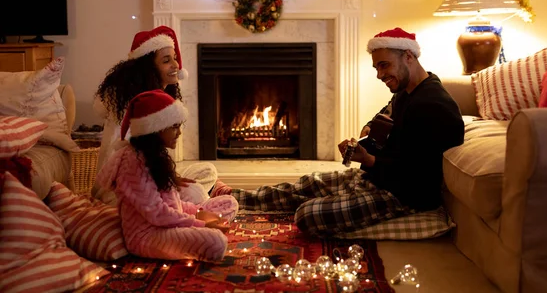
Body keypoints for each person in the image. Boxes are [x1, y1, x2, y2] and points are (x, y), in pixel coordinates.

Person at [210, 27, 464, 236]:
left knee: (307, 215)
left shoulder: (432, 106)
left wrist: (368, 160)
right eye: (376, 67)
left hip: (403, 195)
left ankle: (339, 204)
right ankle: (233, 197)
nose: (379, 74)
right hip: (378, 176)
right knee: (310, 183)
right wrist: (368, 131)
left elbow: (416, 176)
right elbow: (385, 116)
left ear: (409, 56)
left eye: (384, 65)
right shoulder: (407, 92)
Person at [96, 89, 238, 260]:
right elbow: (157, 213)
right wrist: (201, 223)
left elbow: (173, 203)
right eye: (174, 127)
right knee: (217, 242)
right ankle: (203, 233)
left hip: (169, 223)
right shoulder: (133, 163)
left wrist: (199, 212)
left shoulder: (155, 155)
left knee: (229, 203)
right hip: (148, 236)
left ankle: (200, 230)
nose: (179, 132)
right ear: (155, 129)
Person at [92, 26, 217, 204]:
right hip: (123, 189)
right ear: (148, 68)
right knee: (195, 193)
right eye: (166, 61)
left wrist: (170, 177)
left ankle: (190, 204)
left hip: (152, 179)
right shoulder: (138, 105)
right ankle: (196, 209)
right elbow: (129, 161)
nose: (176, 65)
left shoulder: (159, 99)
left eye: (174, 58)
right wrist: (169, 181)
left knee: (207, 171)